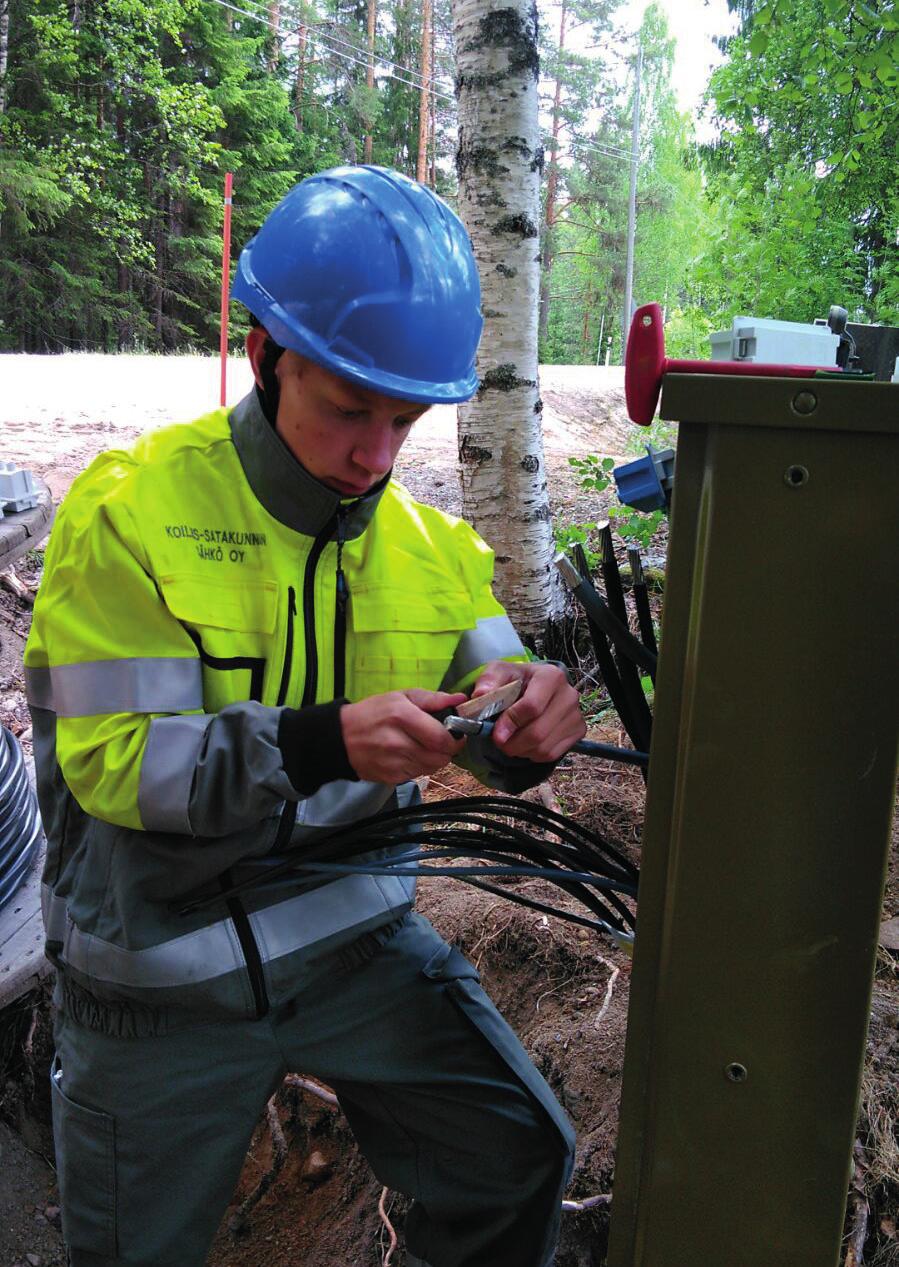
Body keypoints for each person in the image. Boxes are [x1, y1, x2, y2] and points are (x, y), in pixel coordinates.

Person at [25, 165, 586, 1267]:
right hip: (157, 981)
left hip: (356, 955)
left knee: (515, 1154)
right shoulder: (131, 515)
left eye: (406, 418)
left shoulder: (432, 555)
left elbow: (506, 707)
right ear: (264, 353)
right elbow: (111, 764)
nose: (377, 454)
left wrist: (531, 725)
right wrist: (315, 739)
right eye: (346, 408)